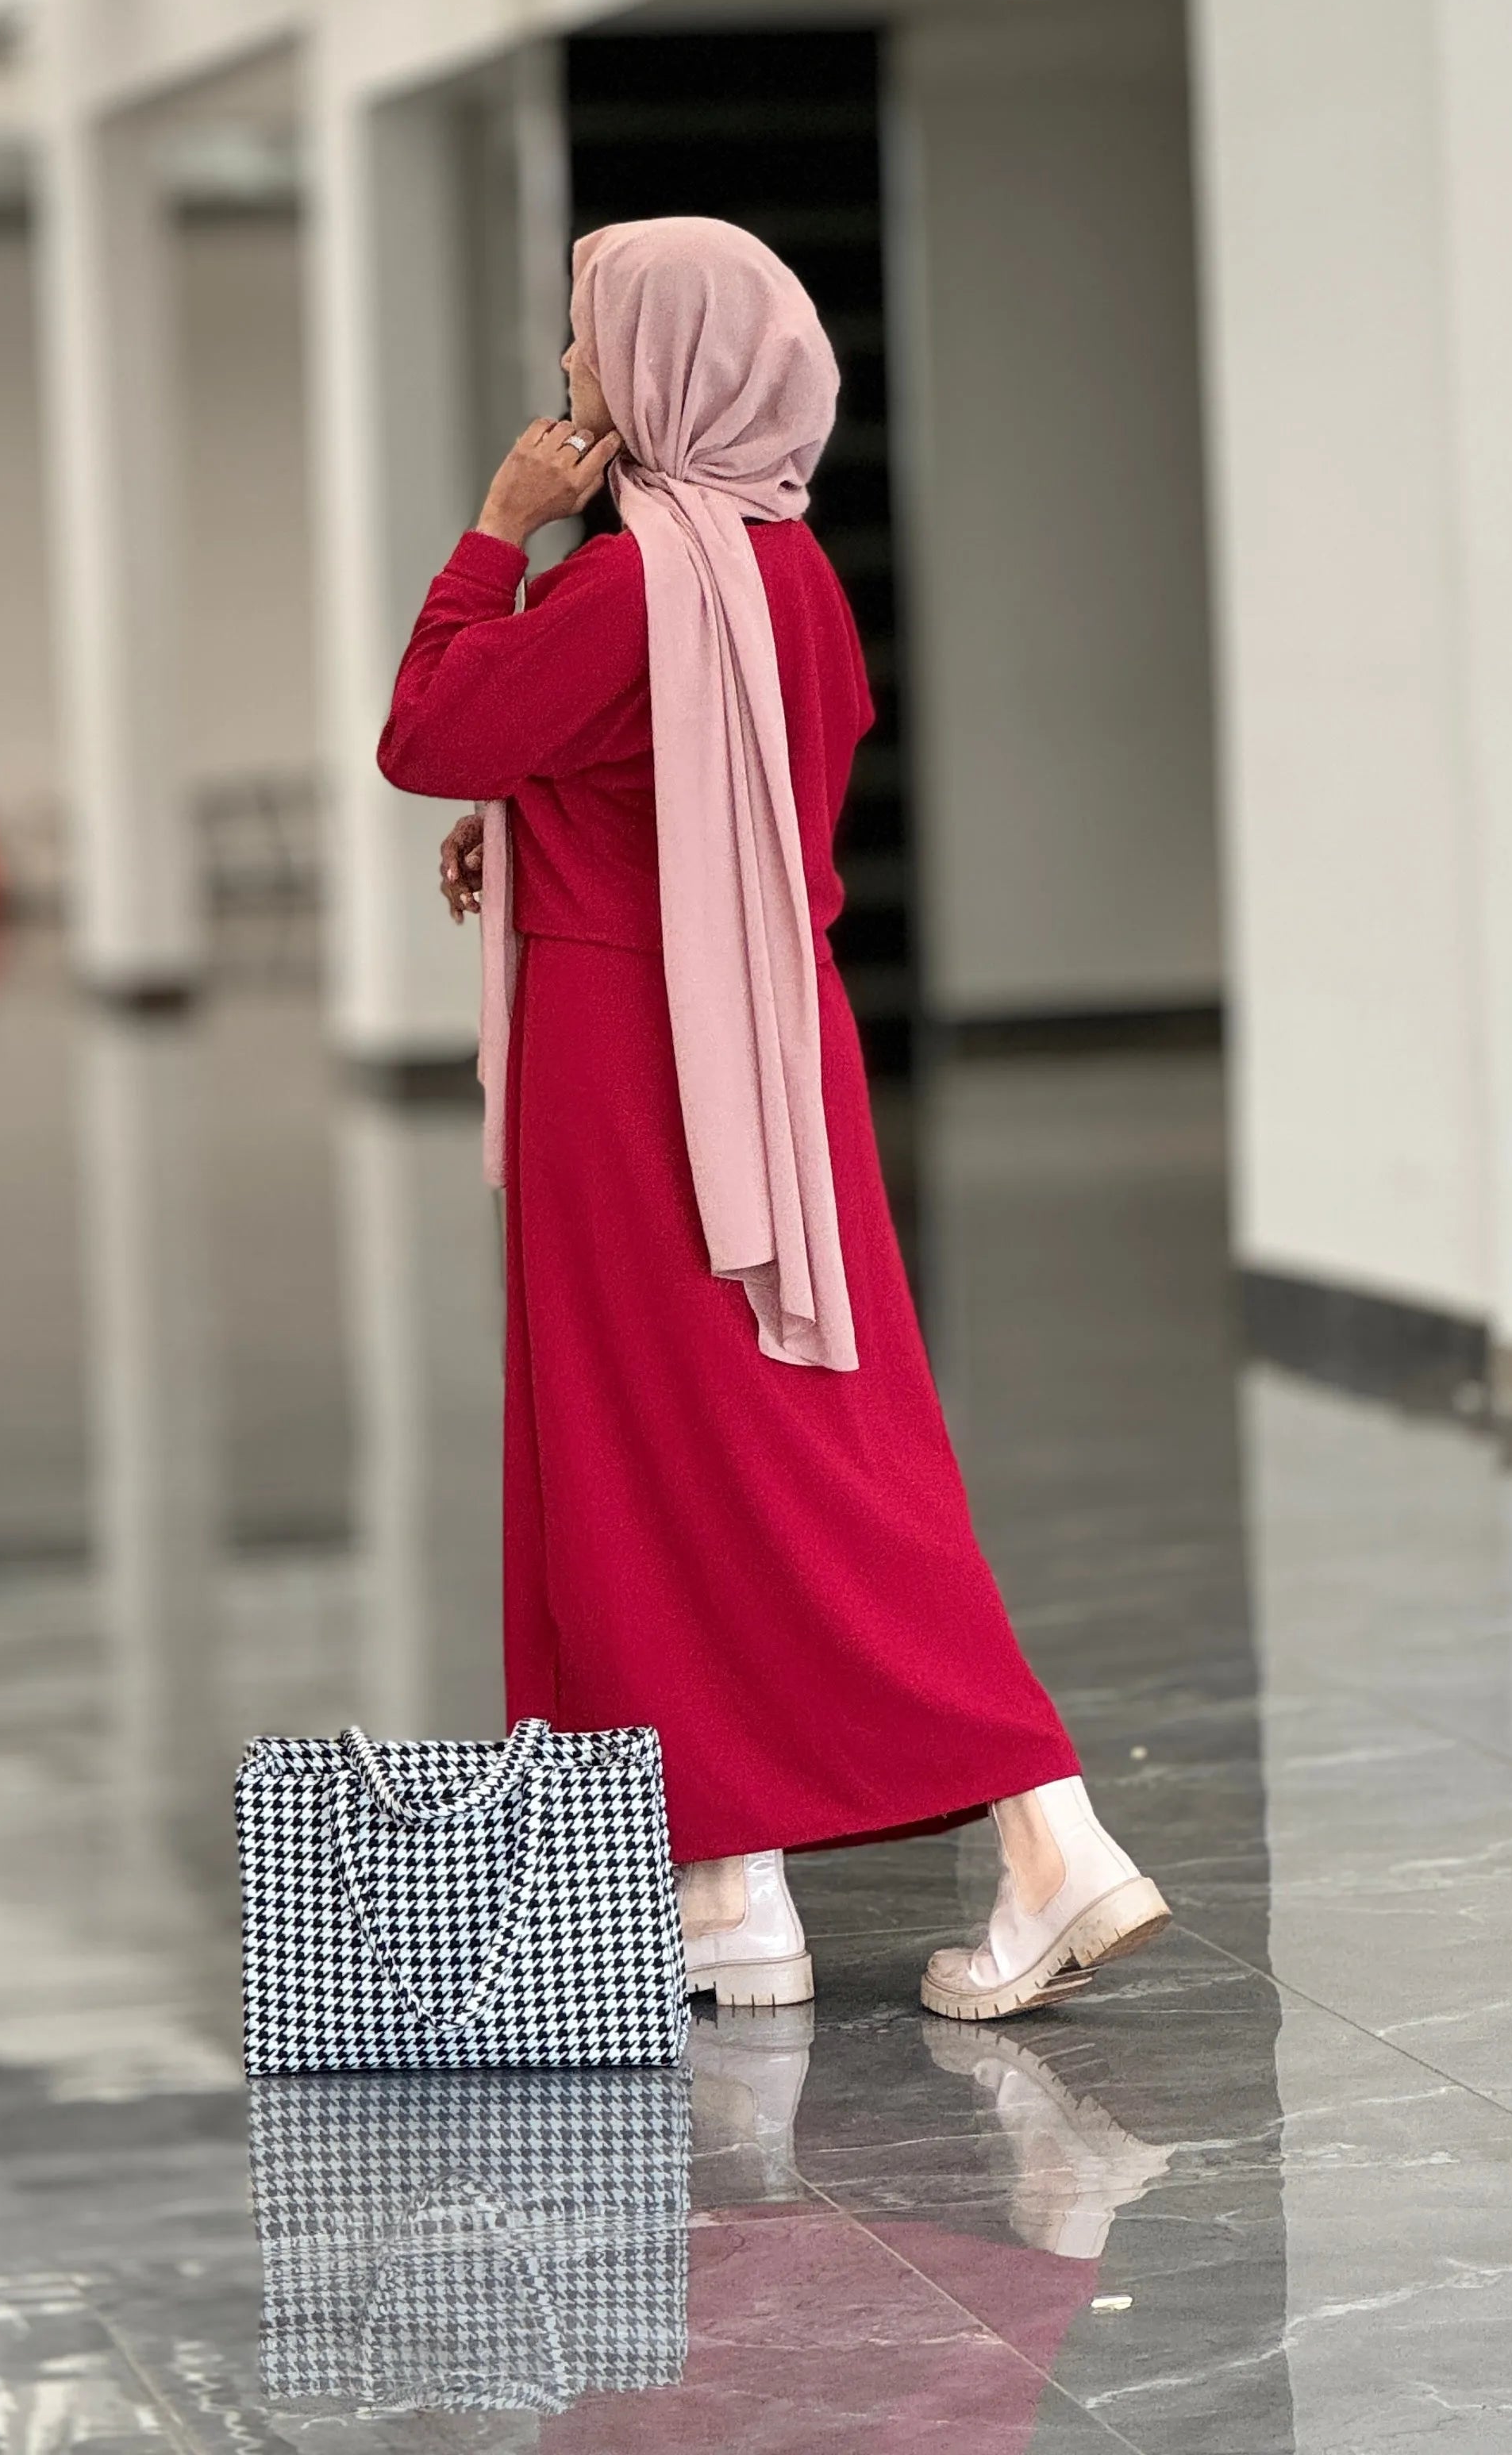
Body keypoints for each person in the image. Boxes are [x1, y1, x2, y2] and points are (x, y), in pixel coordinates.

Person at [378, 214, 1168, 2020]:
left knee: (688, 1449)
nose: (571, 378)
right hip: (765, 1049)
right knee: (735, 1443)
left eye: (589, 344)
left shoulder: (620, 582)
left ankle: (1047, 1827)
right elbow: (701, 790)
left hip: (632, 1064)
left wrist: (496, 529)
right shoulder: (777, 570)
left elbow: (430, 727)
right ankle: (725, 1888)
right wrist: (531, 826)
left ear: (666, 368)